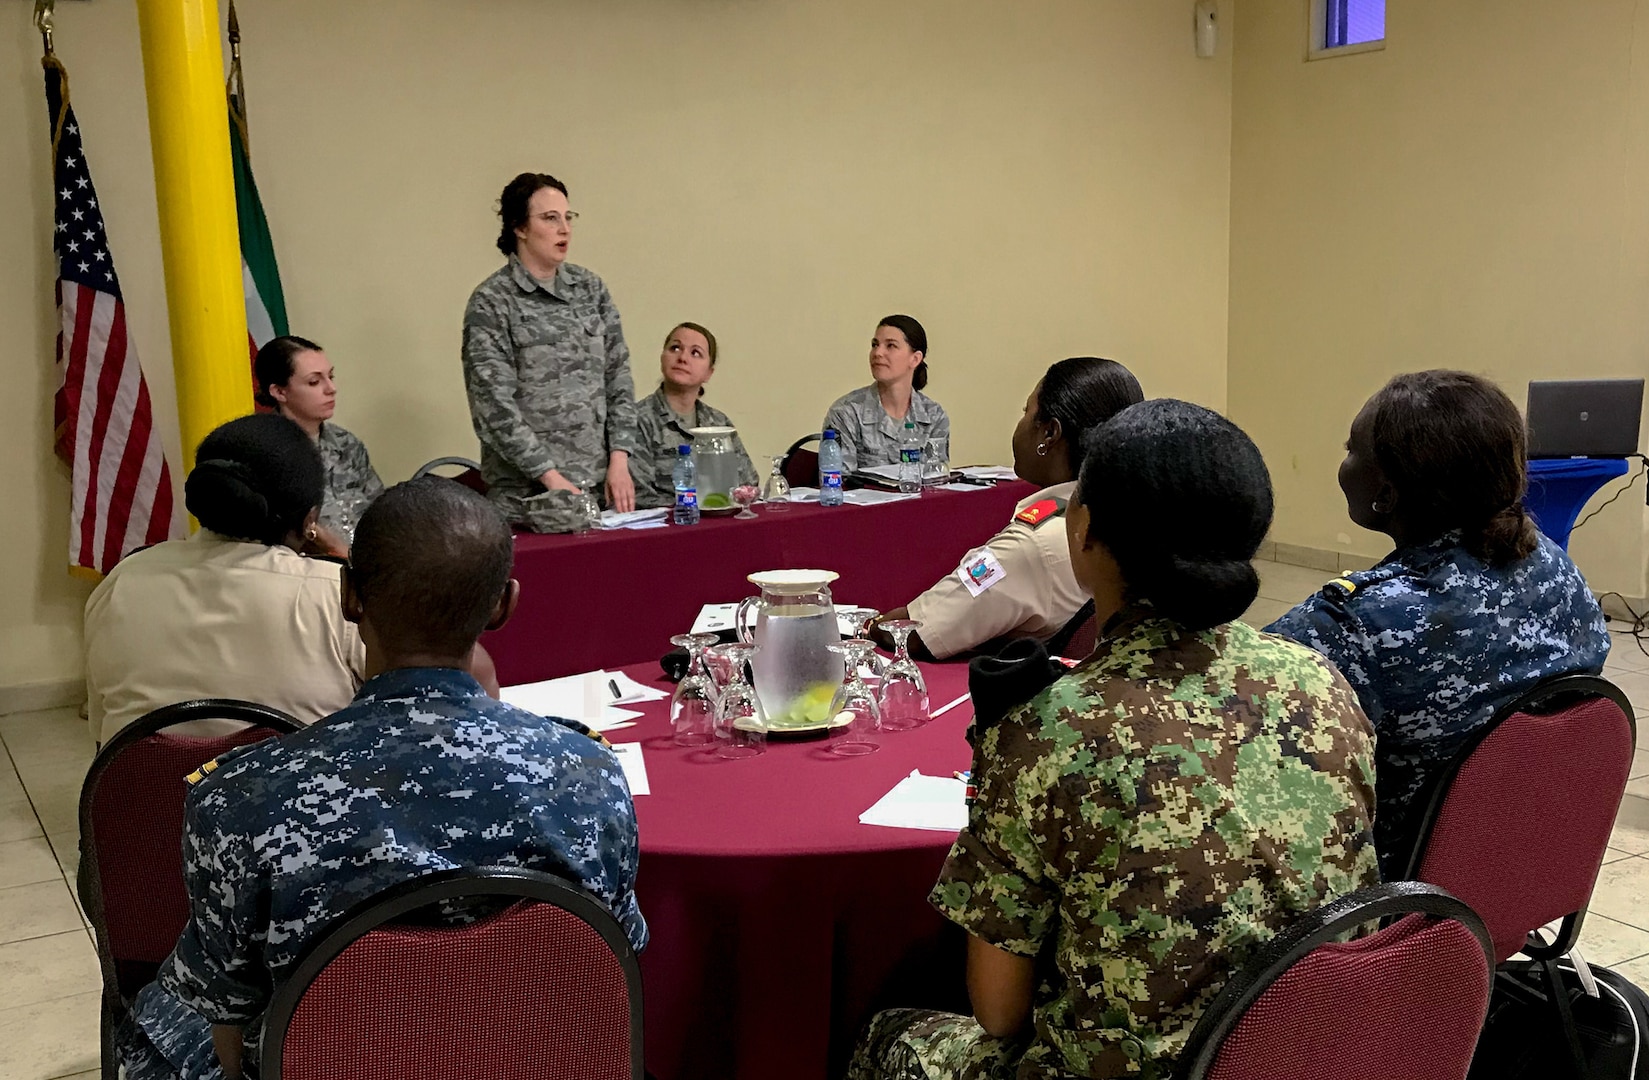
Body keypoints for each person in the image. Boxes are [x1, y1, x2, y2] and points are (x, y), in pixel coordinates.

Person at [849, 400, 1378, 1080]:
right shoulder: (1321, 681)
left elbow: (998, 1012)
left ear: (1085, 531)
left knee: (889, 1031)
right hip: (1317, 1051)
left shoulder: (1046, 728)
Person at [117, 477, 647, 1080]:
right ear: (504, 605)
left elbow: (230, 1042)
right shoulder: (590, 775)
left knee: (160, 1011)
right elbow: (610, 968)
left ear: (349, 596)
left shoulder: (239, 800)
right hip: (536, 1062)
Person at [1267, 370, 1610, 879]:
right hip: (1528, 866)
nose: (1343, 464)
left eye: (1351, 449)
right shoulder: (1553, 565)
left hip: (1395, 893)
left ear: (1386, 491)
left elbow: (1233, 702)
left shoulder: (1358, 620)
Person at [82, 413, 366, 744]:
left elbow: (105, 736)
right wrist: (347, 558)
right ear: (310, 521)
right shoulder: (336, 594)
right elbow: (397, 710)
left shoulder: (121, 582)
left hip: (149, 794)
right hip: (293, 794)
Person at [871, 357, 1144, 660]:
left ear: (1049, 435)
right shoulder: (1133, 512)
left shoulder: (1035, 542)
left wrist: (867, 626)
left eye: (1027, 412)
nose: (1021, 423)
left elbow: (917, 631)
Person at [462, 172, 640, 531]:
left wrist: (620, 459)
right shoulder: (492, 302)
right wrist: (551, 478)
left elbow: (618, 376)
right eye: (549, 218)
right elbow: (494, 408)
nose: (564, 229)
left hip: (598, 494)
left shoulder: (590, 289)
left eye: (567, 217)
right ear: (519, 227)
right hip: (527, 503)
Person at [254, 334, 383, 545]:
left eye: (330, 377)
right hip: (306, 570)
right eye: (314, 382)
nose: (331, 389)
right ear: (279, 391)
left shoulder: (346, 444)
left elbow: (381, 512)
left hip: (368, 563)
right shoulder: (262, 453)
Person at [631, 321, 758, 508]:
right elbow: (638, 496)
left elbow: (748, 484)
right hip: (667, 525)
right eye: (675, 348)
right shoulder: (637, 419)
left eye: (695, 353)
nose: (682, 357)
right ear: (662, 358)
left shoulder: (718, 422)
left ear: (709, 373)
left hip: (719, 521)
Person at [822, 315, 950, 473]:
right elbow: (838, 482)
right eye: (875, 345)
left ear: (915, 359)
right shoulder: (846, 412)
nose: (878, 353)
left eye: (890, 346)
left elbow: (937, 481)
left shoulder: (934, 416)